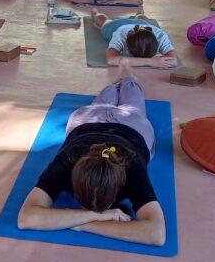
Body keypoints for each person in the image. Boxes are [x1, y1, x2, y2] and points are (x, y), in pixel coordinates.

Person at [17, 59, 166, 246]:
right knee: (122, 102)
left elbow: (156, 234)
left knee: (128, 100)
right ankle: (123, 79)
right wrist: (94, 215)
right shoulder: (67, 161)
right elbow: (26, 218)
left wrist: (85, 224)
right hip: (100, 121)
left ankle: (126, 77)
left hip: (113, 122)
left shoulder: (132, 168)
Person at [92, 8, 177, 68]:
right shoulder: (120, 36)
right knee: (103, 21)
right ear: (127, 44)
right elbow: (111, 59)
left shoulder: (161, 36)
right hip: (116, 26)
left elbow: (174, 61)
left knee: (142, 18)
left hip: (142, 23)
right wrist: (150, 61)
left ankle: (140, 14)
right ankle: (95, 13)